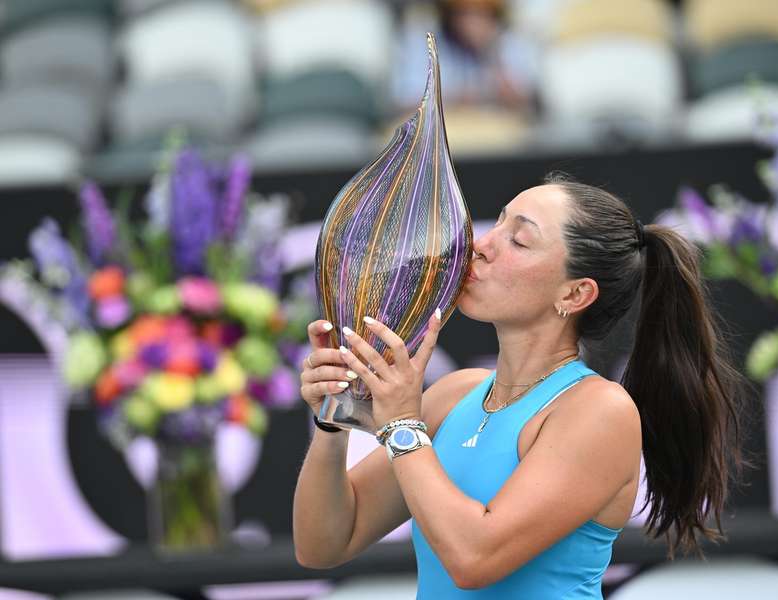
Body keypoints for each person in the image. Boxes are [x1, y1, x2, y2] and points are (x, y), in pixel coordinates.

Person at [292, 172, 746, 598]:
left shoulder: (598, 410)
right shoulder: (454, 395)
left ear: (574, 294)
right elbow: (323, 545)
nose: (480, 245)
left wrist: (403, 428)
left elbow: (474, 558)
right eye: (498, 222)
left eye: (520, 239)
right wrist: (338, 414)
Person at [391, 0, 539, 114]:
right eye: (464, 12)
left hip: (496, 144)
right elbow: (404, 103)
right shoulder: (423, 42)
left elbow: (525, 103)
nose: (472, 22)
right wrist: (460, 98)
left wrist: (491, 51)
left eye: (482, 13)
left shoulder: (509, 42)